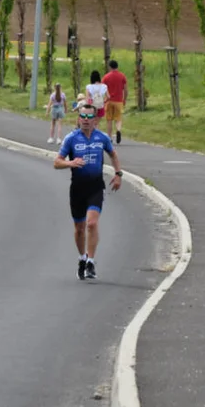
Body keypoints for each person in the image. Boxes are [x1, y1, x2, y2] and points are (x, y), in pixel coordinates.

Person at [54, 103, 123, 280]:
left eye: (89, 117)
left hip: (95, 187)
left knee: (92, 224)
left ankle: (91, 261)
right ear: (78, 119)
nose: (85, 120)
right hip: (77, 189)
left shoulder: (102, 138)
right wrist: (70, 163)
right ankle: (82, 258)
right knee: (79, 228)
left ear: (95, 120)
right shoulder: (71, 139)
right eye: (82, 117)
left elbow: (113, 154)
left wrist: (118, 174)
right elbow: (57, 162)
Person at [102, 59, 128, 143]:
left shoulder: (106, 77)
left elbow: (103, 89)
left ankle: (109, 137)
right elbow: (125, 89)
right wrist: (124, 99)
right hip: (119, 100)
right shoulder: (122, 76)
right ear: (117, 66)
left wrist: (104, 99)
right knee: (118, 118)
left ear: (110, 67)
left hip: (109, 101)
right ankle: (118, 130)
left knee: (109, 120)